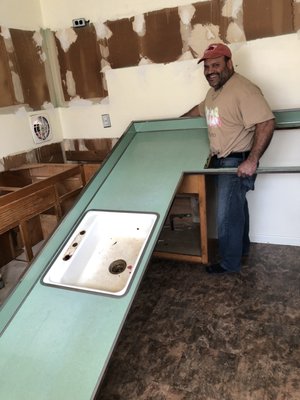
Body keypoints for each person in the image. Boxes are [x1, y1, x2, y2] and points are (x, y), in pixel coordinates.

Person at [182, 43, 275, 274]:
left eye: (216, 65)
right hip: (220, 161)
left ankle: (229, 263)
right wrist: (174, 123)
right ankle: (241, 250)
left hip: (236, 162)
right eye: (206, 66)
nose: (210, 70)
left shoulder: (243, 89)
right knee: (236, 209)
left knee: (226, 215)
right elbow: (200, 109)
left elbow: (266, 122)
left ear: (229, 64)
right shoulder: (214, 92)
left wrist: (251, 160)